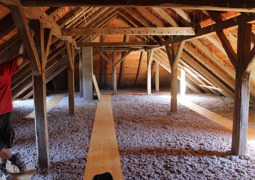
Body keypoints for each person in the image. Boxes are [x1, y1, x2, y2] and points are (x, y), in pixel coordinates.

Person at [0, 44, 27, 179]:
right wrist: (24, 41)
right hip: (6, 112)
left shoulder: (4, 69)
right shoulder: (4, 69)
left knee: (4, 144)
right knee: (3, 144)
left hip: (5, 112)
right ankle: (15, 159)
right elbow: (21, 56)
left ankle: (3, 168)